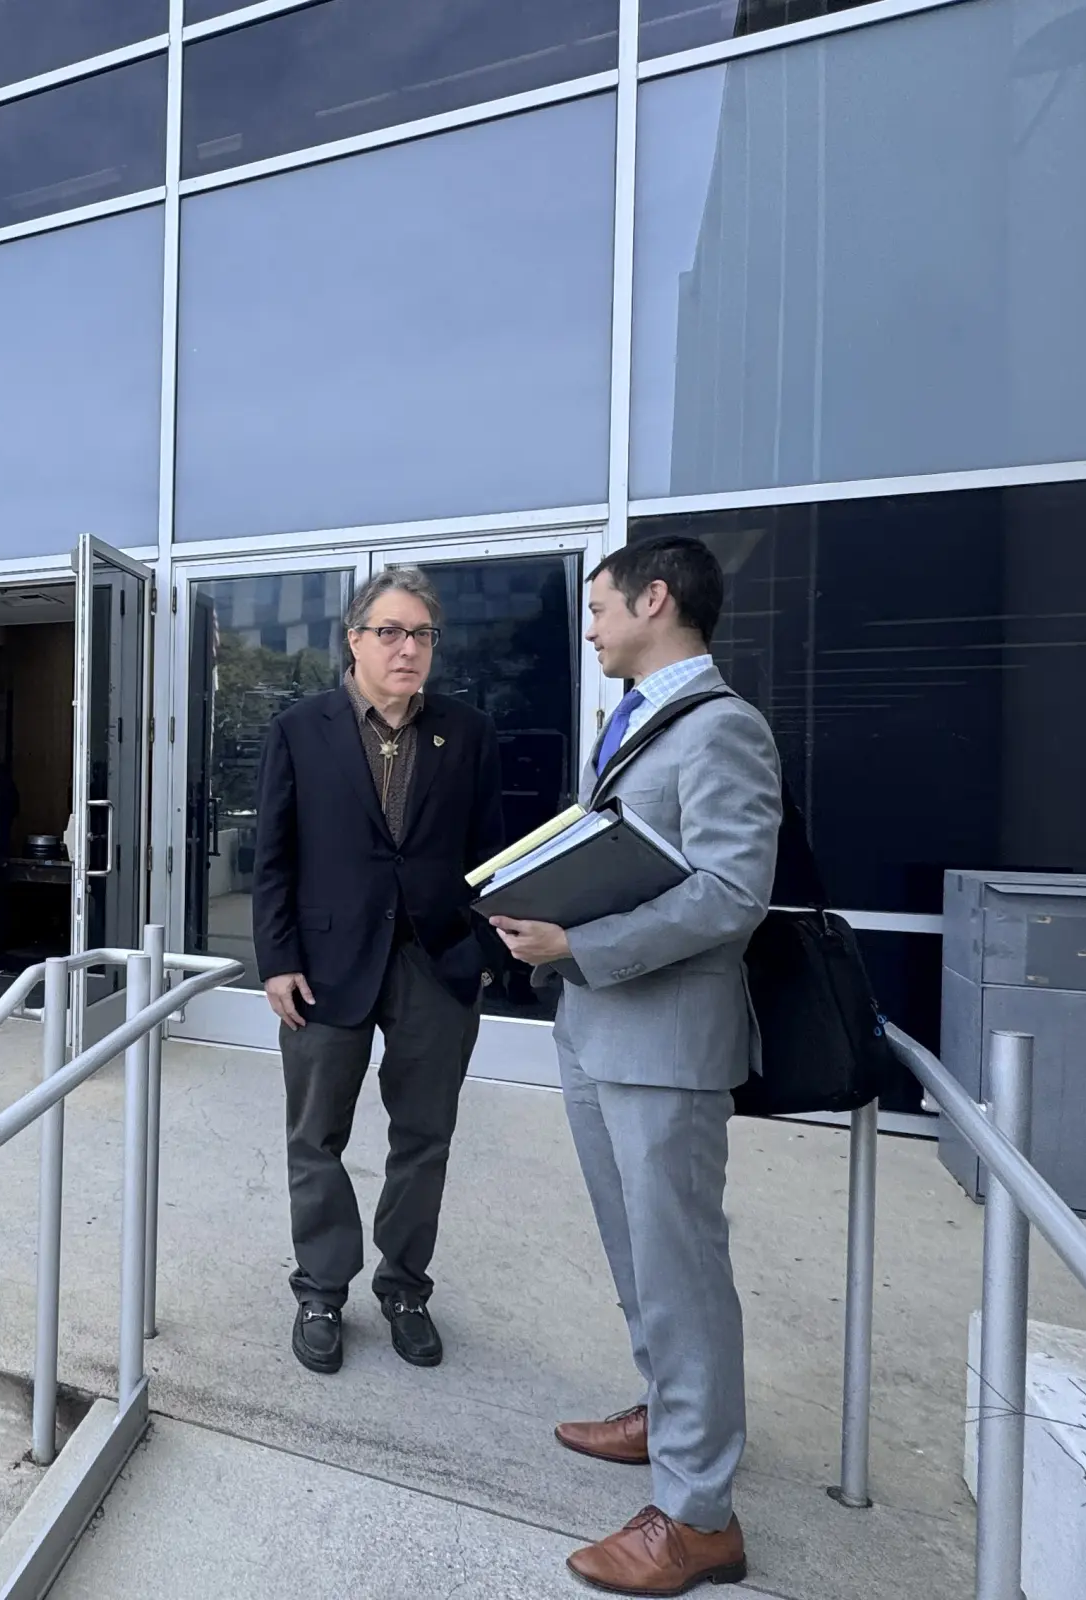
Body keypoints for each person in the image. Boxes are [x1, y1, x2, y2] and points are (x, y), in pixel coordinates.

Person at [491, 535, 780, 1596]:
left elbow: (730, 893)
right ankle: (670, 1415)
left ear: (656, 600)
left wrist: (583, 944)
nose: (591, 624)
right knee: (637, 1259)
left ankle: (699, 1513)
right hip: (600, 1027)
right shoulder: (638, 720)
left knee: (681, 1268)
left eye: (602, 605)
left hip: (663, 1045)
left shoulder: (724, 731)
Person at [251, 566, 504, 1375]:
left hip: (437, 965)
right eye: (390, 632)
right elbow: (274, 858)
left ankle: (405, 1287)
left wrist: (488, 952)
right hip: (326, 966)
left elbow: (491, 856)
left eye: (422, 634)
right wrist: (277, 960)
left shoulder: (465, 731)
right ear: (354, 640)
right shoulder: (301, 728)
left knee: (423, 1136)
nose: (408, 649)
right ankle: (322, 1288)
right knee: (315, 1134)